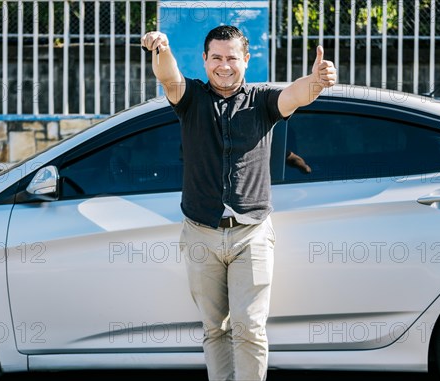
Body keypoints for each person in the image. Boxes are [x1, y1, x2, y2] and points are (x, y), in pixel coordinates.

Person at [141, 25, 336, 381]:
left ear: (247, 59)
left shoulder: (262, 99)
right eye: (216, 57)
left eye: (232, 57)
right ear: (204, 60)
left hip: (252, 236)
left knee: (249, 328)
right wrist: (162, 48)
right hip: (201, 233)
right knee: (214, 329)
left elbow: (295, 95)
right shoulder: (191, 99)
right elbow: (169, 78)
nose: (224, 65)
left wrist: (316, 82)